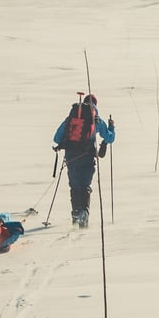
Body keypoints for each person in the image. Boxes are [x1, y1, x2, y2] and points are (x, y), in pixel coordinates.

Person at [52, 94, 115, 227]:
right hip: (87, 157)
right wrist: (111, 128)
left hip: (71, 158)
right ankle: (84, 213)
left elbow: (57, 138)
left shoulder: (71, 118)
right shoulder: (97, 120)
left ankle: (75, 213)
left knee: (75, 186)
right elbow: (110, 138)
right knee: (85, 186)